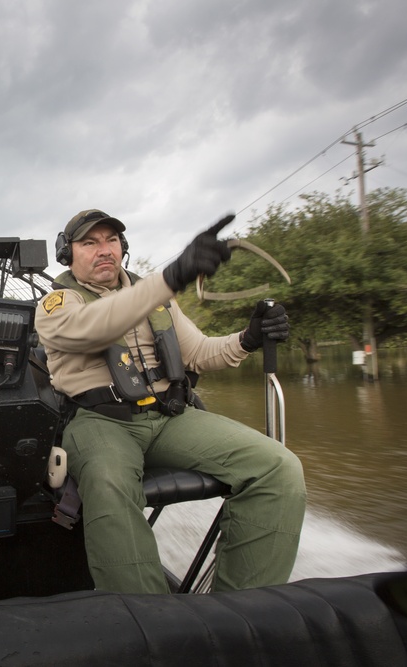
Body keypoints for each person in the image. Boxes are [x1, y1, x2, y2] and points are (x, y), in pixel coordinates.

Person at [35, 209, 306, 594]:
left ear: (122, 247)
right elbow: (92, 329)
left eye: (111, 240)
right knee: (110, 484)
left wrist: (248, 338)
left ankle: (243, 610)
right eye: (89, 243)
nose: (103, 250)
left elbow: (200, 353)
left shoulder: (158, 298)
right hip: (100, 422)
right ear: (68, 254)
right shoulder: (57, 305)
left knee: (279, 468)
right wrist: (170, 277)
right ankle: (153, 625)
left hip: (169, 417)